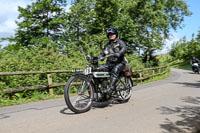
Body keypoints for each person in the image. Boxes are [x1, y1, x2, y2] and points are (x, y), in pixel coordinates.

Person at [96, 27, 127, 96]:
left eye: (113, 34)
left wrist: (119, 53)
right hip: (109, 63)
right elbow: (102, 53)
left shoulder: (120, 42)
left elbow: (124, 49)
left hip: (120, 62)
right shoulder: (107, 45)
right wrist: (98, 57)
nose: (111, 35)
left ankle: (110, 89)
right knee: (99, 69)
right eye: (109, 34)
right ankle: (104, 90)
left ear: (116, 34)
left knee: (115, 70)